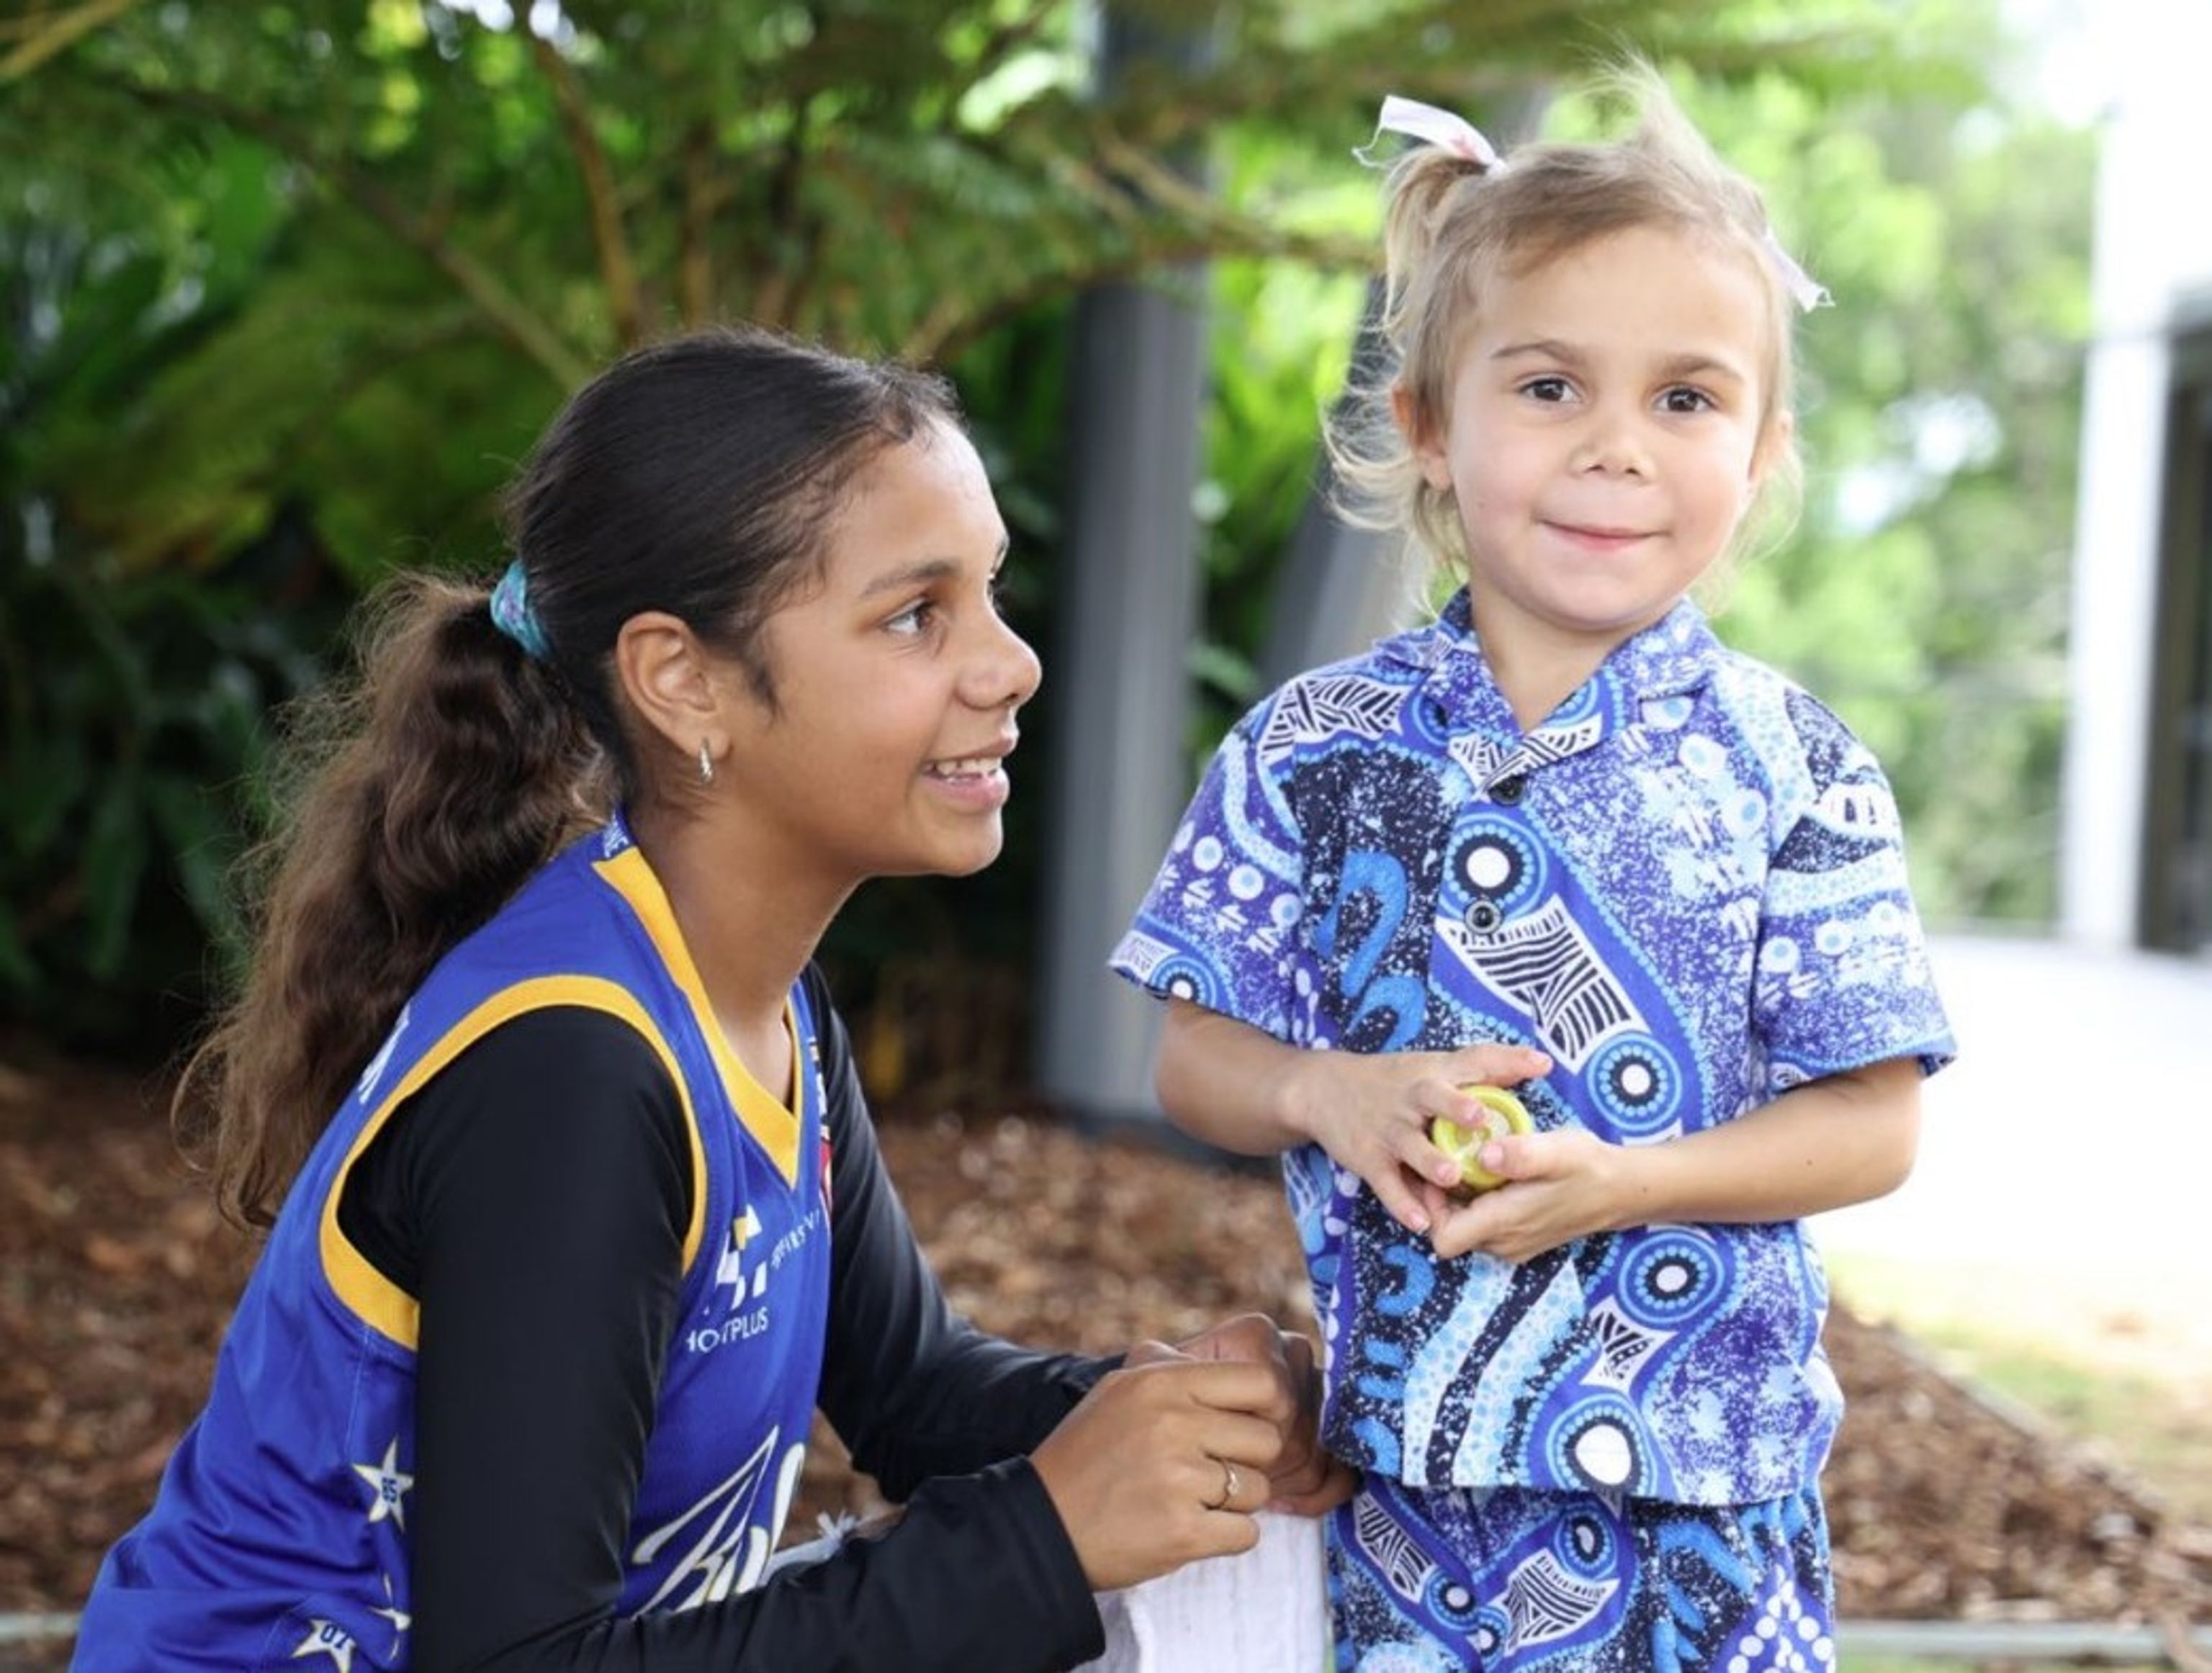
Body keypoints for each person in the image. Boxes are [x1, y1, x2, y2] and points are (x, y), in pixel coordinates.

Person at [70, 325, 1352, 1673]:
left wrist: (1173, 1414)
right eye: (918, 614)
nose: (1011, 662)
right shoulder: (573, 1079)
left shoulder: (756, 1001)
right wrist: (1045, 1533)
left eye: (990, 592)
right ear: (683, 680)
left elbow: (912, 1393)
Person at [1110, 70, 1956, 1672]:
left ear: (1764, 448)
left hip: (1717, 1501)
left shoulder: (1799, 765)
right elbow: (1192, 1054)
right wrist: (1330, 1092)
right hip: (1416, 1496)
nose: (1620, 450)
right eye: (1552, 386)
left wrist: (1635, 1181)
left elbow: (1875, 1120)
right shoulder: (1313, 744)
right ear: (1430, 420)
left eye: (1687, 400)